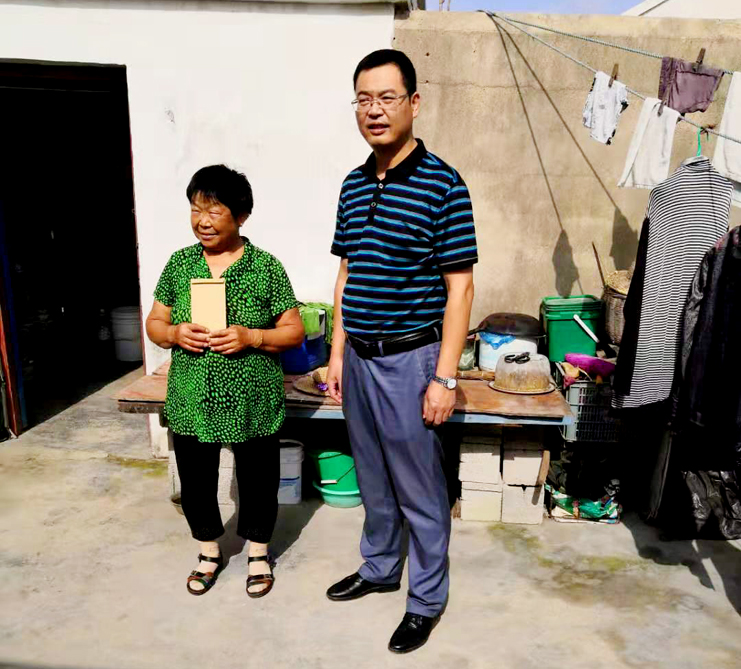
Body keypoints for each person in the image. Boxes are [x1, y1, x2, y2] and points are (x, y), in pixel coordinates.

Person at [325, 50, 477, 653]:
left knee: (420, 488)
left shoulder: (444, 184)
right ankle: (381, 567)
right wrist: (337, 353)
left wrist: (445, 378)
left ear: (414, 102)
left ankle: (426, 600)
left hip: (411, 360)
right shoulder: (353, 183)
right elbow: (347, 274)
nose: (375, 110)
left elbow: (460, 288)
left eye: (387, 98)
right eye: (364, 99)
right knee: (372, 476)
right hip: (360, 358)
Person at [146, 165, 304, 598]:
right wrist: (174, 333)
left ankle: (258, 552)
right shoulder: (180, 264)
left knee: (258, 477)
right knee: (195, 478)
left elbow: (293, 331)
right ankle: (208, 551)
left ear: (241, 216)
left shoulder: (265, 267)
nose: (203, 221)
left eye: (214, 211)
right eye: (195, 210)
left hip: (252, 397)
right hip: (192, 395)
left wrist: (252, 337)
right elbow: (154, 323)